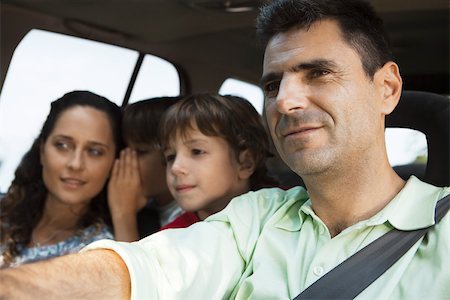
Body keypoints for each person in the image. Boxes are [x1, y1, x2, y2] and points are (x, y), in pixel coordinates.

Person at [0, 0, 449, 298]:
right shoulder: (254, 217)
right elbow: (150, 269)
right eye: (273, 83)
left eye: (318, 74)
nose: (285, 101)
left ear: (387, 88)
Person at [0, 91, 122, 268]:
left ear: (114, 163)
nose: (75, 164)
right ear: (42, 151)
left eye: (95, 151)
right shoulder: (6, 211)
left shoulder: (97, 254)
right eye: (62, 146)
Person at [159, 93, 275, 230]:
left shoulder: (286, 212)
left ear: (245, 163)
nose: (175, 167)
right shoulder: (172, 237)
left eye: (197, 151)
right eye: (171, 157)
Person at [108, 97, 183, 241]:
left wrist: (123, 215)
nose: (127, 162)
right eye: (124, 151)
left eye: (141, 152)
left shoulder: (190, 222)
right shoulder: (147, 205)